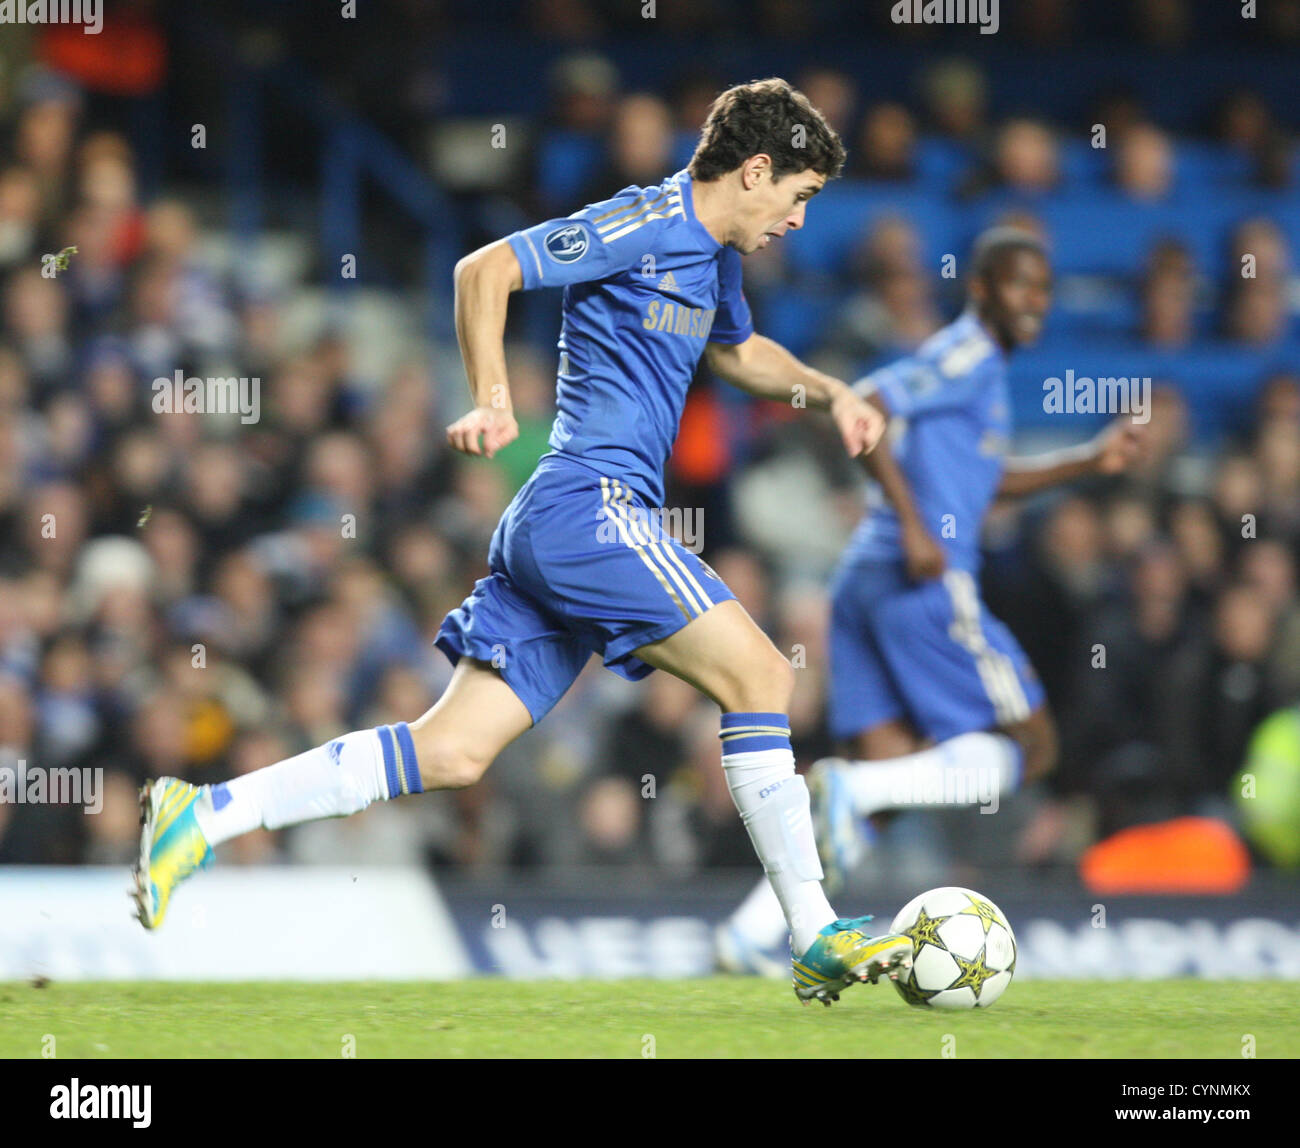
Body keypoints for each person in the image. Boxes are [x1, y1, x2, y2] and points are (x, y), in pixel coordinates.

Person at [133, 78, 913, 1005]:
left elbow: (740, 355)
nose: (797, 218)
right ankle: (814, 930)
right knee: (766, 677)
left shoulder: (715, 261)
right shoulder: (640, 222)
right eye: (799, 195)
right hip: (589, 504)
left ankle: (206, 815)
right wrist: (497, 398)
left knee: (453, 751)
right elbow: (483, 271)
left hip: (568, 527)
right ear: (755, 170)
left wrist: (831, 392)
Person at [718, 228, 1145, 970]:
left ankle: (750, 934)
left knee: (887, 790)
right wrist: (918, 528)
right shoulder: (967, 352)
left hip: (870, 580)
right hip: (921, 577)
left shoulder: (982, 374)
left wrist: (1084, 461)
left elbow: (985, 481)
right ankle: (851, 787)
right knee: (1031, 743)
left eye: (1043, 288)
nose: (1035, 302)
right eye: (1019, 285)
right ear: (981, 289)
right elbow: (871, 403)